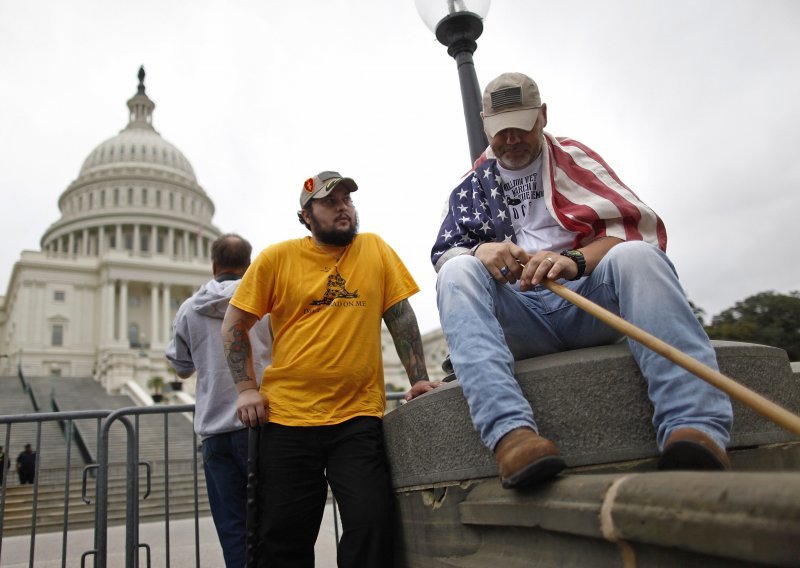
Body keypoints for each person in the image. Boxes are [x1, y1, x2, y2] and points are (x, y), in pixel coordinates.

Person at [432, 72, 733, 489]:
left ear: (543, 116)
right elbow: (445, 253)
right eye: (501, 131)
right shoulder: (471, 186)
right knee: (457, 270)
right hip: (522, 316)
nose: (512, 139)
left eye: (522, 125)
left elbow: (637, 231)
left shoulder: (575, 157)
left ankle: (694, 427)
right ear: (485, 127)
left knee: (637, 257)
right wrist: (479, 252)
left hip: (587, 301)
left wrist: (573, 260)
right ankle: (511, 435)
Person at [222, 171, 439, 567]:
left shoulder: (375, 249)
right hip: (287, 420)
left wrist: (419, 379)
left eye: (347, 200)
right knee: (285, 535)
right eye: (330, 202)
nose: (343, 207)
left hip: (357, 418)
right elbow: (234, 324)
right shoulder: (277, 258)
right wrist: (246, 389)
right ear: (306, 216)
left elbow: (401, 315)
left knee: (371, 522)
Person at [166, 233, 273, 568]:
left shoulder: (188, 309)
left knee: (233, 531)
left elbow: (181, 369)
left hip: (216, 433)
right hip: (262, 425)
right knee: (273, 528)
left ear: (213, 265)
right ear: (250, 263)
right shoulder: (266, 303)